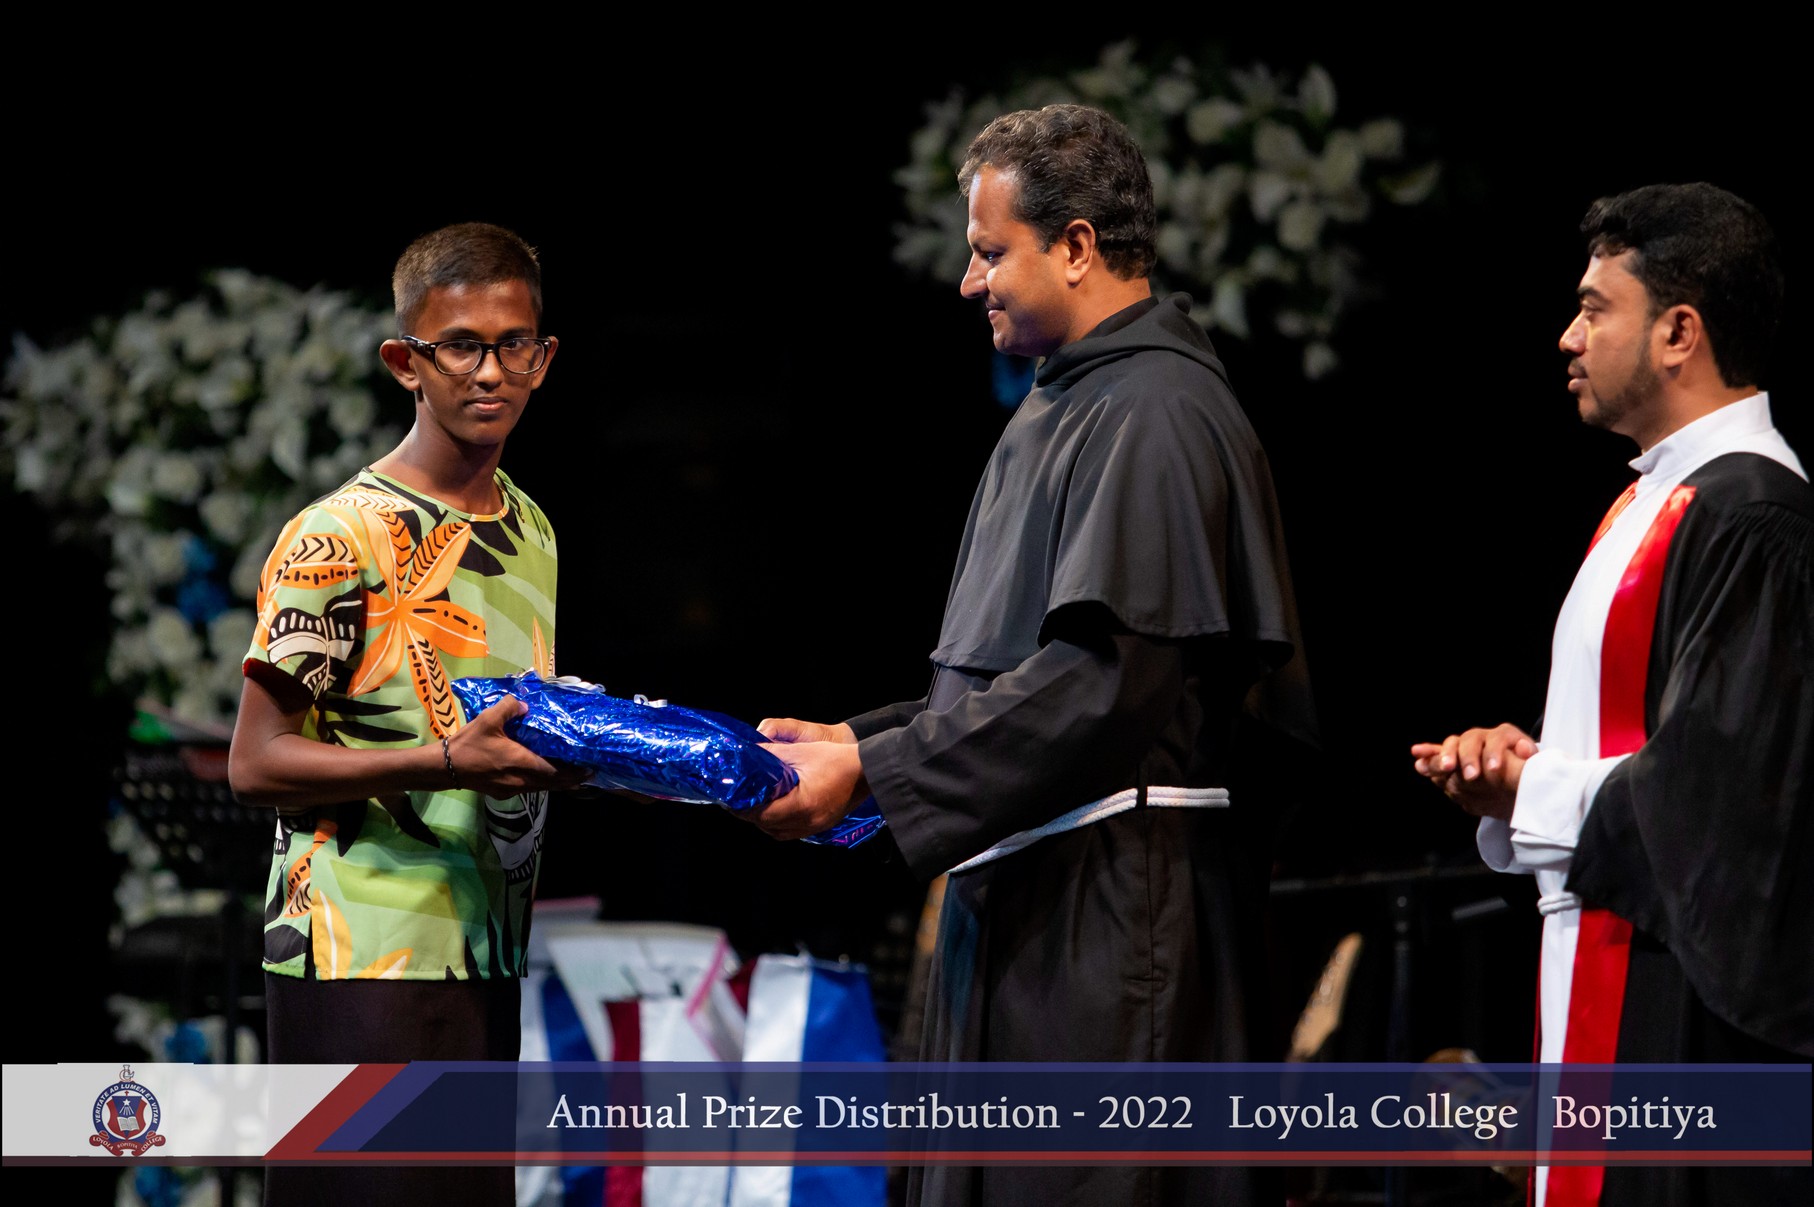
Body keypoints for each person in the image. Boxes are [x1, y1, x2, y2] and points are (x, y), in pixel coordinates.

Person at [752, 103, 1317, 1206]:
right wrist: (859, 741)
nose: (970, 281)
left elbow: (1104, 685)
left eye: (989, 251)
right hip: (1038, 902)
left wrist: (874, 768)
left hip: (1111, 926)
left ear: (1075, 245)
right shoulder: (1074, 397)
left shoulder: (1154, 410)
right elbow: (1011, 674)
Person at [1411, 183, 1812, 1206]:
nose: (1567, 335)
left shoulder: (1754, 515)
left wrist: (1533, 791)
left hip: (1686, 1003)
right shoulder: (1650, 501)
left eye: (1595, 308)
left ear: (1678, 333)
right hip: (1602, 952)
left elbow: (1720, 796)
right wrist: (1524, 773)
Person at [228, 221, 587, 1206]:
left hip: (483, 946)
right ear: (405, 362)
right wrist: (445, 762)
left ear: (544, 357)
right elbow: (256, 762)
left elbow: (503, 733)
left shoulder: (531, 527)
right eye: (460, 345)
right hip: (355, 956)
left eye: (513, 344)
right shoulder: (339, 536)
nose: (490, 371)